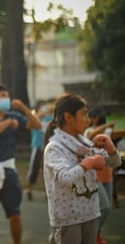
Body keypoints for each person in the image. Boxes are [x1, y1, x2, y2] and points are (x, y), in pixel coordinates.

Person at [43, 93, 121, 244]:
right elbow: (65, 178)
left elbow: (115, 162)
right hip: (68, 220)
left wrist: (111, 149)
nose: (88, 120)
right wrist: (89, 163)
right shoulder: (54, 148)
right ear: (68, 117)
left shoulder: (85, 144)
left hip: (90, 214)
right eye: (83, 115)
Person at [0, 84, 41, 244]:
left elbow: (37, 126)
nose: (7, 98)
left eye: (7, 95)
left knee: (15, 213)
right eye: (3, 95)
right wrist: (7, 122)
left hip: (8, 171)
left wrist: (23, 108)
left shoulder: (15, 116)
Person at [85, 106, 125, 244]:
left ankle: (96, 235)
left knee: (106, 209)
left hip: (107, 175)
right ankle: (91, 234)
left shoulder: (108, 132)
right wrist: (108, 125)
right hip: (95, 177)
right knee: (104, 206)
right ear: (93, 118)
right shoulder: (88, 131)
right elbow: (90, 136)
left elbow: (118, 134)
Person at [26, 100, 54, 201]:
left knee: (48, 170)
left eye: (45, 107)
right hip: (37, 146)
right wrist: (40, 114)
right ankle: (29, 189)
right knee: (34, 168)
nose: (44, 108)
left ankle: (48, 193)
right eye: (42, 107)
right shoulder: (34, 116)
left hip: (48, 147)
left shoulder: (50, 117)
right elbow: (29, 125)